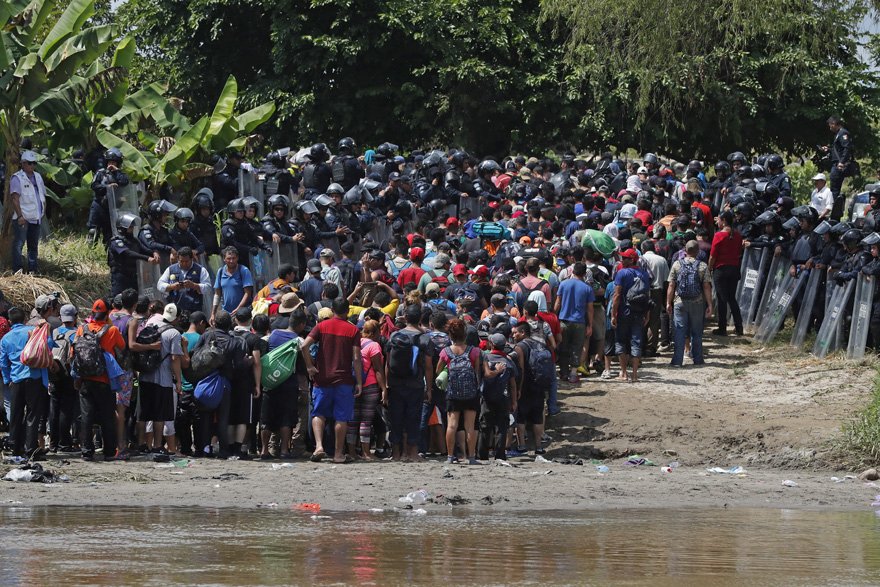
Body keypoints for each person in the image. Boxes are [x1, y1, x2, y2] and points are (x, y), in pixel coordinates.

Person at [300, 298, 363, 464]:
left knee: (319, 413)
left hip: (322, 378)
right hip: (344, 380)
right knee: (342, 417)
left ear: (332, 309)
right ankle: (338, 454)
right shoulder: (353, 330)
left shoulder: (322, 326)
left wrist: (310, 366)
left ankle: (319, 446)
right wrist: (359, 381)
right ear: (347, 311)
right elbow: (357, 358)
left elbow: (304, 346)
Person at [74, 299, 126, 461]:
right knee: (107, 416)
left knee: (86, 416)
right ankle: (109, 451)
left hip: (85, 379)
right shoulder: (112, 330)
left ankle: (86, 451)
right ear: (107, 313)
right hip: (104, 379)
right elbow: (122, 347)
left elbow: (73, 353)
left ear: (92, 313)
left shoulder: (82, 329)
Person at [0, 306, 50, 458]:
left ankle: (15, 447)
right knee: (33, 415)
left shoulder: (5, 339)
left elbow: (3, 363)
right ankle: (31, 448)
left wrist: (8, 379)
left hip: (16, 380)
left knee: (16, 414)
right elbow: (48, 344)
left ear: (10, 321)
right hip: (34, 378)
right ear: (25, 319)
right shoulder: (32, 332)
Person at [385, 305, 432, 461]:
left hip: (395, 383)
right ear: (420, 319)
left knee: (396, 418)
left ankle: (396, 453)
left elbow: (388, 362)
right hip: (415, 384)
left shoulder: (394, 336)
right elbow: (428, 366)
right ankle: (412, 452)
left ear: (405, 318)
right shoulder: (424, 338)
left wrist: (386, 385)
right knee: (413, 418)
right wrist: (429, 388)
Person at [137, 303, 184, 455]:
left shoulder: (150, 325)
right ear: (176, 318)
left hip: (145, 376)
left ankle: (142, 445)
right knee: (159, 414)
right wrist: (178, 381)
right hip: (162, 379)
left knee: (143, 413)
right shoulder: (174, 333)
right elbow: (175, 358)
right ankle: (157, 446)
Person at [260, 310, 306, 459]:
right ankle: (285, 450)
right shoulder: (298, 340)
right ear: (301, 325)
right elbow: (305, 358)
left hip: (270, 381)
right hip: (288, 382)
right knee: (286, 418)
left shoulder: (273, 335)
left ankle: (264, 450)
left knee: (267, 418)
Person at [667, 240, 713, 367]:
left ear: (685, 251)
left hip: (679, 302)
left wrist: (668, 302)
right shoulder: (702, 266)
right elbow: (706, 286)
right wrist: (710, 304)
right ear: (698, 251)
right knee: (697, 332)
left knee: (679, 331)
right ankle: (697, 359)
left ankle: (677, 360)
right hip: (697, 302)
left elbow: (671, 285)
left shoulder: (677, 264)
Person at [346, 319, 385, 460]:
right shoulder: (374, 346)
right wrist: (383, 388)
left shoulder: (355, 343)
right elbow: (378, 369)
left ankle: (351, 452)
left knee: (352, 420)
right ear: (374, 333)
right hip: (370, 386)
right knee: (366, 420)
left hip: (353, 385)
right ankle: (366, 452)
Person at [611, 248, 650, 382]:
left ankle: (623, 373)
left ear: (632, 260)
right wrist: (647, 313)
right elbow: (647, 295)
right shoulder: (644, 274)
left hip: (623, 311)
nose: (622, 260)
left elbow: (617, 295)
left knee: (621, 340)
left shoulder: (622, 273)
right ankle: (634, 374)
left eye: (625, 258)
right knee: (636, 341)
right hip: (639, 312)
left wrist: (613, 314)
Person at [477, 332, 517, 461]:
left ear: (492, 344)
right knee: (502, 427)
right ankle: (500, 455)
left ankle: (482, 454)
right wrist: (514, 401)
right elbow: (513, 384)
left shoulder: (485, 358)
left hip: (486, 396)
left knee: (485, 426)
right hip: (503, 397)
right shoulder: (508, 361)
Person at [554, 262, 594, 384]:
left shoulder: (563, 284)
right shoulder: (587, 288)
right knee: (577, 348)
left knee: (563, 347)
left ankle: (564, 372)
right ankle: (573, 374)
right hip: (579, 322)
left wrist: (553, 317)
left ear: (573, 271)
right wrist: (590, 325)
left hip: (563, 321)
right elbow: (590, 309)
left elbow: (558, 303)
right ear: (584, 274)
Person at [9, 150, 47, 273]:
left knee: (33, 246)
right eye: (29, 163)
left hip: (36, 217)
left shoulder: (38, 176)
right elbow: (14, 199)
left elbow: (42, 195)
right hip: (23, 218)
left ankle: (32, 270)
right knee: (19, 245)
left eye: (34, 163)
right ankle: (17, 270)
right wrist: (20, 216)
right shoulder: (17, 178)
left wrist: (42, 212)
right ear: (23, 163)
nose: (32, 165)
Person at [48, 304, 79, 453]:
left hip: (54, 373)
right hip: (68, 375)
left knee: (54, 408)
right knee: (66, 410)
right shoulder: (76, 333)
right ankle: (64, 443)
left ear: (61, 317)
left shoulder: (54, 332)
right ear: (75, 317)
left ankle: (53, 443)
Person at [709, 210, 744, 336]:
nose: (717, 222)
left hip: (721, 270)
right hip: (734, 269)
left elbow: (713, 256)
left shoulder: (719, 235)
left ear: (723, 221)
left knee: (722, 299)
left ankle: (722, 328)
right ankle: (739, 327)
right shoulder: (738, 235)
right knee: (732, 298)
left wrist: (709, 268)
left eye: (718, 219)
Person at [88, 147, 130, 246]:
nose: (111, 164)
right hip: (98, 205)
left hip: (112, 207)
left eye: (114, 162)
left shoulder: (121, 175)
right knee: (93, 231)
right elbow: (94, 186)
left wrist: (117, 172)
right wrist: (107, 187)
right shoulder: (100, 173)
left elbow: (125, 183)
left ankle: (108, 252)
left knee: (110, 234)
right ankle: (91, 250)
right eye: (110, 162)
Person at [157, 247, 212, 314]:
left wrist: (194, 285)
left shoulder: (200, 270)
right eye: (181, 261)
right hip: (175, 310)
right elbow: (160, 285)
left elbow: (208, 287)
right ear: (178, 259)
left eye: (186, 261)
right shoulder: (170, 269)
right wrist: (172, 286)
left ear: (191, 259)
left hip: (194, 309)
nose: (184, 264)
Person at [640, 239, 670, 356]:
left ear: (643, 249)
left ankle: (641, 346)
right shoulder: (661, 260)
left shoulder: (640, 259)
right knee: (654, 320)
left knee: (642, 318)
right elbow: (666, 280)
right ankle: (651, 348)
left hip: (642, 291)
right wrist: (665, 297)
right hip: (657, 291)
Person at [212, 246, 254, 323]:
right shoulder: (220, 272)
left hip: (243, 313)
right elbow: (217, 294)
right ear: (224, 259)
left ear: (237, 258)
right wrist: (213, 313)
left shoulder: (244, 270)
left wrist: (238, 309)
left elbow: (247, 293)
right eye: (228, 258)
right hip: (227, 314)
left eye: (233, 258)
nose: (231, 261)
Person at [825, 115, 854, 221]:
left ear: (834, 124)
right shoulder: (838, 134)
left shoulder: (843, 133)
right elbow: (839, 150)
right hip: (836, 164)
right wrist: (828, 149)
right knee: (833, 189)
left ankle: (834, 213)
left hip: (838, 166)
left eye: (830, 125)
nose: (830, 128)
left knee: (835, 190)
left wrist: (842, 162)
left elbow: (847, 148)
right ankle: (833, 211)